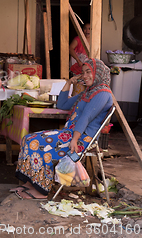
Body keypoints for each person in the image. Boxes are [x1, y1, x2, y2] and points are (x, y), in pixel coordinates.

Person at [12, 58, 112, 199]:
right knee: (28, 138)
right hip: (69, 134)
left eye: (89, 72)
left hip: (80, 139)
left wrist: (75, 139)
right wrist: (69, 82)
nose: (84, 76)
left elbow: (86, 117)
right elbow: (62, 104)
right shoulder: (89, 92)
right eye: (83, 73)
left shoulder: (102, 93)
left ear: (98, 73)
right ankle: (31, 183)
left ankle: (41, 189)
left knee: (36, 143)